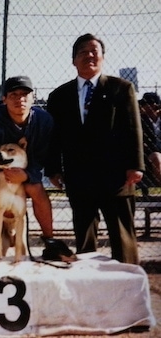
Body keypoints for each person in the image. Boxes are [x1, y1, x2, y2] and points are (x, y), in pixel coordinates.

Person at [45, 33, 144, 264]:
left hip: (117, 176)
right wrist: (53, 169)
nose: (89, 55)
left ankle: (128, 284)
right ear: (73, 60)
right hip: (79, 177)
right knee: (85, 236)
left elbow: (133, 129)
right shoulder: (59, 96)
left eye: (94, 51)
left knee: (122, 235)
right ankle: (88, 284)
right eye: (83, 52)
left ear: (102, 57)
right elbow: (54, 137)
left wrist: (136, 165)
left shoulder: (122, 88)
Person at [0, 75, 62, 257]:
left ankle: (50, 241)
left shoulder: (44, 121)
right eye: (13, 94)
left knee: (36, 188)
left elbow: (46, 154)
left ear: (33, 98)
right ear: (4, 99)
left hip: (25, 173)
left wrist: (27, 176)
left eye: (25, 94)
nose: (20, 99)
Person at [139, 92, 161, 189]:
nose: (142, 108)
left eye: (145, 105)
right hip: (149, 153)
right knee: (156, 157)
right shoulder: (141, 120)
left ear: (153, 106)